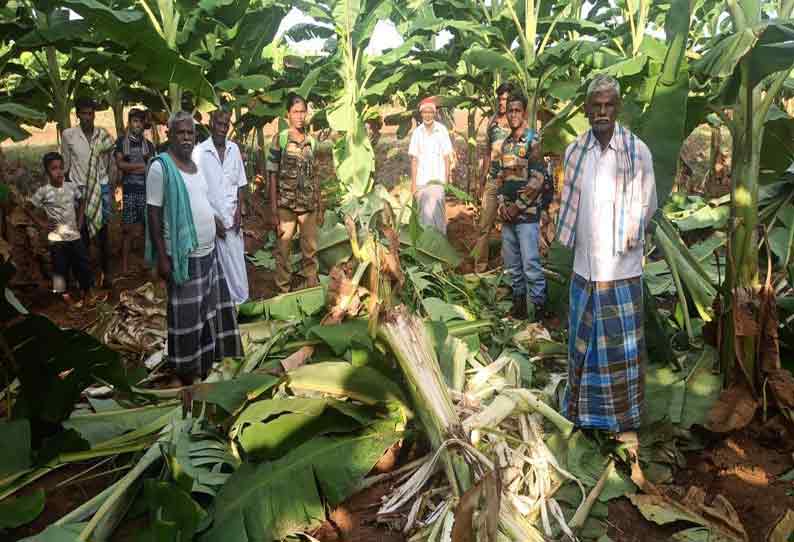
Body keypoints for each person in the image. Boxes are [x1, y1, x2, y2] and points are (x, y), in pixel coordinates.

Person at [557, 74, 657, 479]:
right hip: (585, 266)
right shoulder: (574, 151)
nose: (601, 112)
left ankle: (623, 423)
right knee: (584, 347)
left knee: (620, 353)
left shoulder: (637, 152)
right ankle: (583, 414)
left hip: (621, 268)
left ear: (618, 108)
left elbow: (648, 205)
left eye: (608, 105)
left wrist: (627, 235)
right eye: (595, 105)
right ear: (586, 109)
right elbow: (570, 202)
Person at [145, 111, 243, 385]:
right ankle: (184, 372)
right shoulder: (161, 168)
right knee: (185, 319)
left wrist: (211, 220)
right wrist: (162, 258)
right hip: (183, 256)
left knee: (206, 313)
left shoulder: (194, 166)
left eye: (190, 133)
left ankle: (202, 364)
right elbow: (153, 214)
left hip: (209, 253)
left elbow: (200, 201)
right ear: (169, 135)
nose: (187, 138)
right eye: (181, 133)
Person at [496, 92, 553, 321]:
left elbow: (538, 179)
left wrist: (517, 207)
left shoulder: (533, 140)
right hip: (508, 217)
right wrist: (501, 205)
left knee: (530, 264)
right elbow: (500, 177)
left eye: (517, 110)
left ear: (525, 113)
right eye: (510, 110)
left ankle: (540, 310)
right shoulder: (506, 144)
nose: (513, 114)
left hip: (526, 215)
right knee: (512, 266)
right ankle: (519, 306)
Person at [193, 108, 249, 304]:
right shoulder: (199, 153)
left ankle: (240, 303)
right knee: (214, 270)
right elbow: (196, 191)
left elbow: (241, 183)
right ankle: (220, 307)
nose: (222, 129)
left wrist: (240, 212)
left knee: (237, 265)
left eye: (226, 125)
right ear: (211, 124)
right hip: (210, 221)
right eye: (219, 124)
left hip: (232, 219)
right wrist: (211, 219)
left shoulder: (234, 150)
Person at [266, 94, 320, 293]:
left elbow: (315, 176)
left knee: (310, 252)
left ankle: (312, 290)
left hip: (308, 207)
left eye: (302, 111)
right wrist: (273, 210)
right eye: (295, 111)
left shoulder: (311, 142)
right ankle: (283, 292)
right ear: (288, 114)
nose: (299, 116)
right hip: (285, 206)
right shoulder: (280, 139)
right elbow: (272, 174)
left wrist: (319, 206)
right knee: (283, 252)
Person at [61, 96, 115, 287]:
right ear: (77, 115)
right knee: (82, 234)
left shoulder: (103, 135)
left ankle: (107, 275)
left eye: (90, 113)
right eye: (83, 113)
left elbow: (110, 162)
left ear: (94, 115)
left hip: (101, 188)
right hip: (79, 190)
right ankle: (86, 278)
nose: (87, 117)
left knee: (103, 234)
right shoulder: (68, 135)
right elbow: (66, 166)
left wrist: (108, 184)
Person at [28, 152, 94, 305]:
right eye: (54, 168)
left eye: (61, 168)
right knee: (59, 267)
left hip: (74, 235)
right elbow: (28, 207)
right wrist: (41, 224)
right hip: (57, 238)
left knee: (82, 263)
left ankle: (87, 291)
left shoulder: (70, 186)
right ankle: (63, 295)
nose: (58, 171)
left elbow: (82, 200)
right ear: (47, 171)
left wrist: (80, 219)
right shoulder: (43, 191)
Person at [473, 82, 514, 273]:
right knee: (484, 225)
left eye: (505, 99)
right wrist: (482, 179)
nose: (502, 103)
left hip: (510, 182)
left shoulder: (517, 121)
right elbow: (487, 153)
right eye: (500, 99)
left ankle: (508, 269)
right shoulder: (492, 122)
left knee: (510, 227)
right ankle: (480, 267)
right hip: (492, 179)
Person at [115, 108, 155, 274]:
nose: (138, 125)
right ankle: (124, 267)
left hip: (146, 192)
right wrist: (140, 167)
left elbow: (152, 168)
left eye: (140, 121)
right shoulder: (121, 142)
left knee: (147, 227)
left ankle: (146, 263)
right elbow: (120, 165)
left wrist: (132, 168)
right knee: (128, 229)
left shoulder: (149, 145)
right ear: (129, 123)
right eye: (134, 121)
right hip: (130, 192)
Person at [408, 97, 454, 235]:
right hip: (422, 181)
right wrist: (413, 184)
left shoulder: (442, 130)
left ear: (434, 114)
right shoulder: (417, 133)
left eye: (430, 112)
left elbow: (447, 157)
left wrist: (446, 180)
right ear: (421, 114)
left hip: (438, 180)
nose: (427, 115)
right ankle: (426, 247)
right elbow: (414, 160)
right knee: (423, 216)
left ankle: (440, 244)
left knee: (438, 215)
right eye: (424, 112)